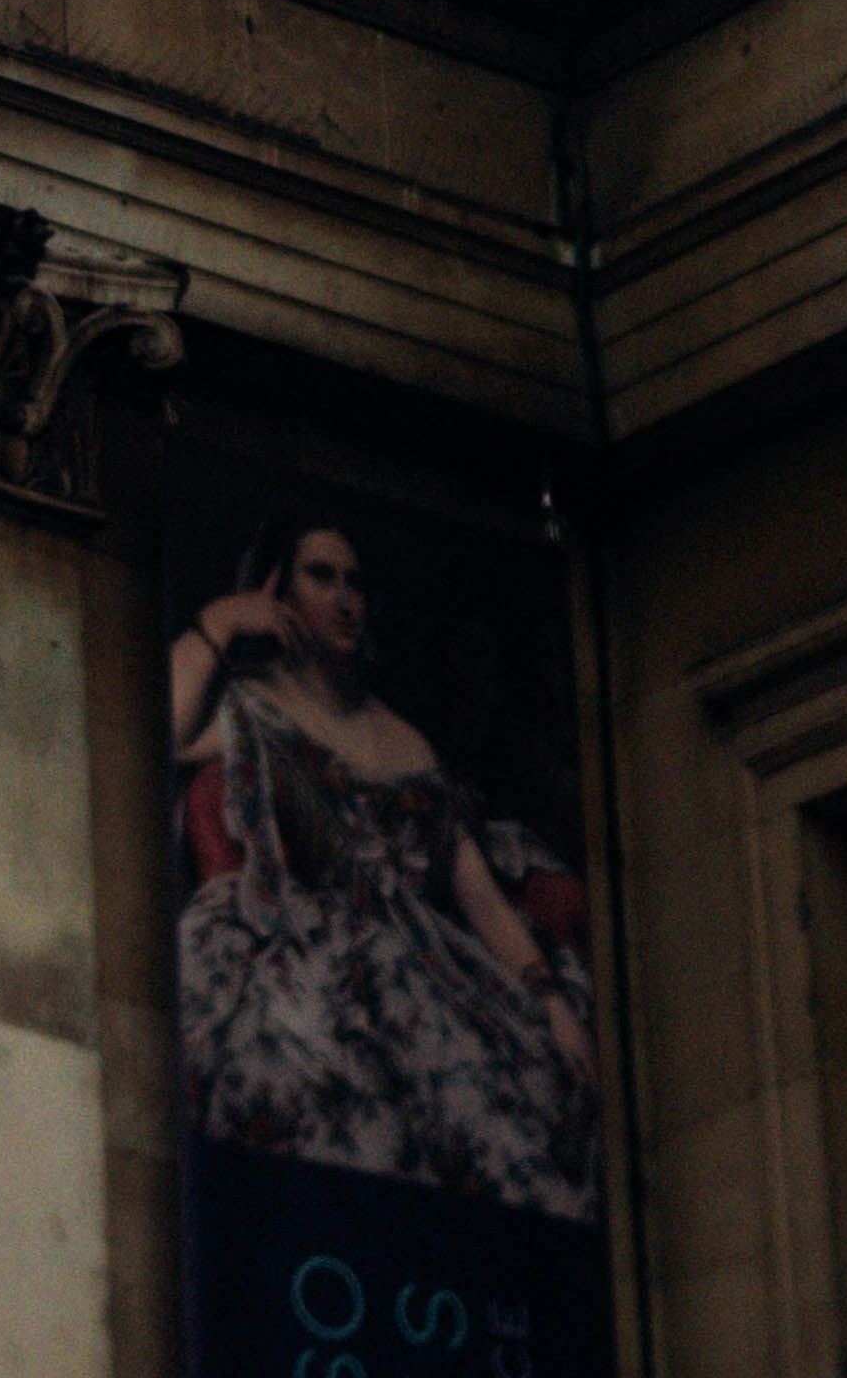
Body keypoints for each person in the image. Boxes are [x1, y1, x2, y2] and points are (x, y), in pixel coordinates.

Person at [172, 513, 599, 1221]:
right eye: (321, 576)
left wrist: (550, 1001)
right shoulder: (256, 711)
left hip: (429, 969)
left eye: (355, 583)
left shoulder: (407, 741)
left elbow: (481, 899)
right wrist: (221, 620)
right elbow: (169, 728)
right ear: (279, 589)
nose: (344, 599)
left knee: (521, 1103)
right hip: (310, 958)